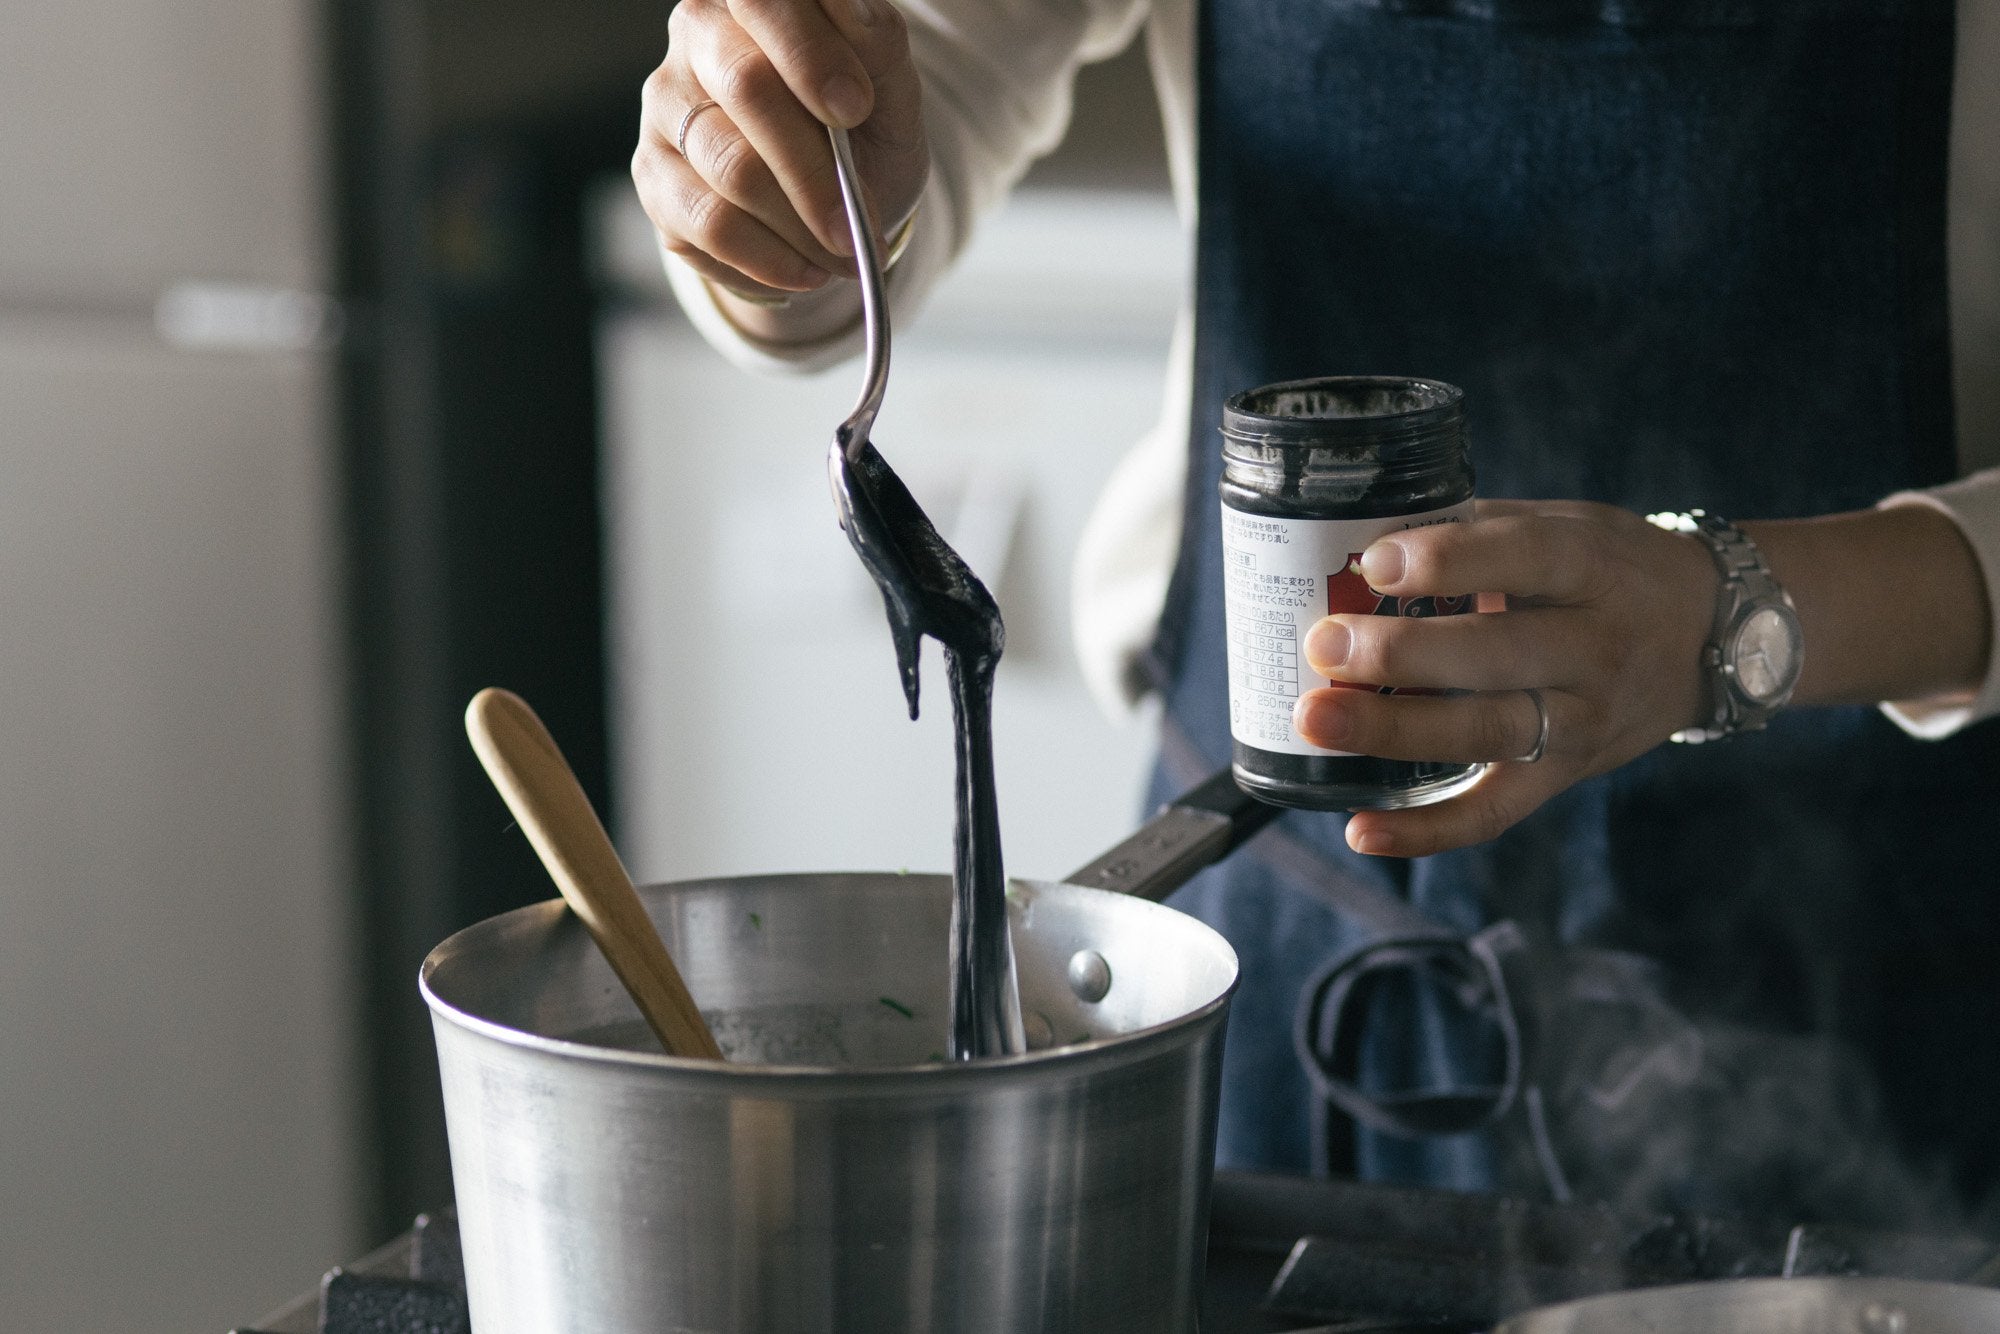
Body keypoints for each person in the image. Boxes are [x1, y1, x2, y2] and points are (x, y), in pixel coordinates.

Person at [632, 0, 2000, 1225]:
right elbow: (913, 78)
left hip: (1893, 973)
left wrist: (1734, 615)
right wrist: (775, 187)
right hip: (1289, 922)